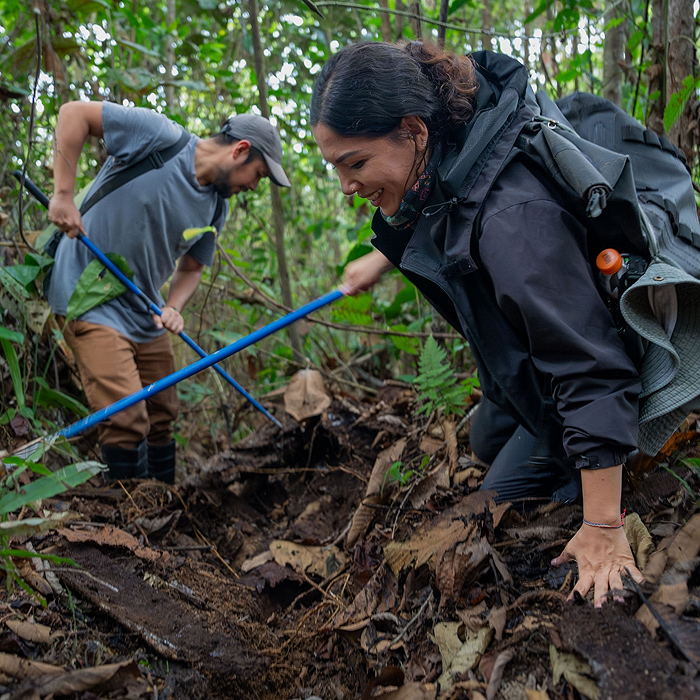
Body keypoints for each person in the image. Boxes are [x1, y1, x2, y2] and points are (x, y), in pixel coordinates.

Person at [310, 40, 646, 607]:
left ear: (414, 130)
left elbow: (590, 365)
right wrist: (379, 256)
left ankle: (597, 466)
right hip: (531, 369)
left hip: (599, 373)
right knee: (486, 437)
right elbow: (445, 215)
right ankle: (540, 431)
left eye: (356, 163)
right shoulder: (453, 150)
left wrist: (605, 527)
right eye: (336, 167)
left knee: (493, 498)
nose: (346, 186)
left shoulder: (512, 221)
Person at [47, 100, 290, 483]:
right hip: (87, 295)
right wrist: (63, 193)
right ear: (240, 150)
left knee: (163, 412)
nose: (253, 186)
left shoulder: (214, 208)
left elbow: (192, 267)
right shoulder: (160, 137)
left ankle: (165, 510)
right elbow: (73, 113)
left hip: (144, 307)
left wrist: (174, 306)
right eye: (257, 175)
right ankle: (127, 524)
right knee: (126, 417)